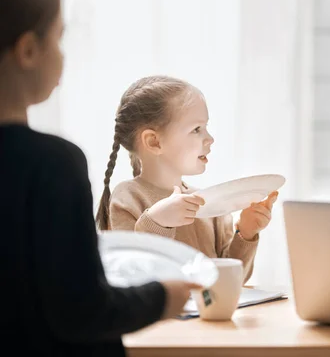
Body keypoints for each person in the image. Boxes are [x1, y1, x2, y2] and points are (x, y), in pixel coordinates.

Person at [0, 0, 198, 355]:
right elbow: (80, 309)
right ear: (28, 50)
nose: (62, 55)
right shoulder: (53, 166)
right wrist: (162, 298)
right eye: (58, 39)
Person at [95, 75, 278, 283]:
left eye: (206, 127)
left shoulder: (209, 204)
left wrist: (246, 233)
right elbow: (133, 276)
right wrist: (157, 223)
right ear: (154, 141)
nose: (210, 138)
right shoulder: (128, 197)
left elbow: (231, 281)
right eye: (196, 129)